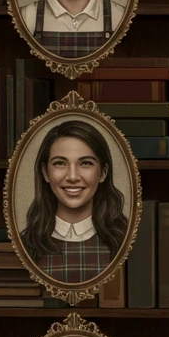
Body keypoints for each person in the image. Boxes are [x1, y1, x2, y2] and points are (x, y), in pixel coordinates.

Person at [20, 120, 128, 285]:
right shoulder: (24, 245)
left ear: (103, 173)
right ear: (45, 172)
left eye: (85, 163)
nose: (72, 177)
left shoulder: (125, 242)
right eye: (60, 163)